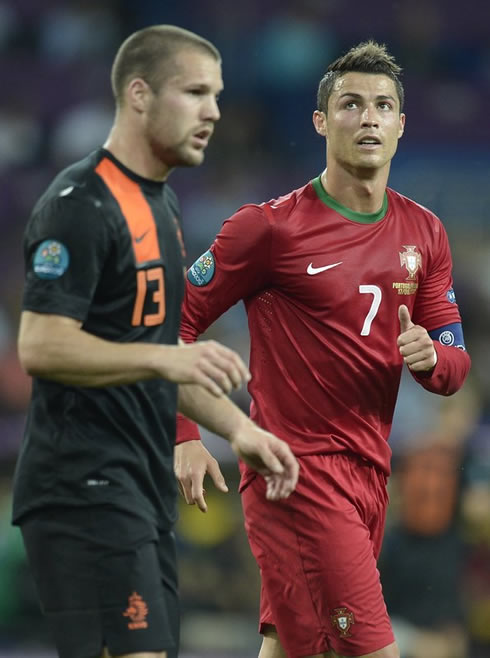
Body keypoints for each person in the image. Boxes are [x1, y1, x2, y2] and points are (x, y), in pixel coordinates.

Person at [174, 40, 471, 658]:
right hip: (296, 474)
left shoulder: (425, 233)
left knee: (291, 646)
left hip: (370, 473)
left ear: (401, 125)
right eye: (351, 104)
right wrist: (185, 434)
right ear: (320, 121)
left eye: (383, 106)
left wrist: (432, 358)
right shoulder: (269, 229)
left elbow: (454, 364)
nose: (368, 118)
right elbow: (170, 323)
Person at [11, 24, 299, 658]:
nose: (214, 112)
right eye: (195, 92)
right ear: (138, 94)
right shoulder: (77, 204)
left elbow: (161, 355)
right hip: (81, 485)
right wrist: (164, 355)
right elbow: (41, 345)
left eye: (217, 96)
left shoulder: (164, 209)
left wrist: (242, 431)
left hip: (137, 490)